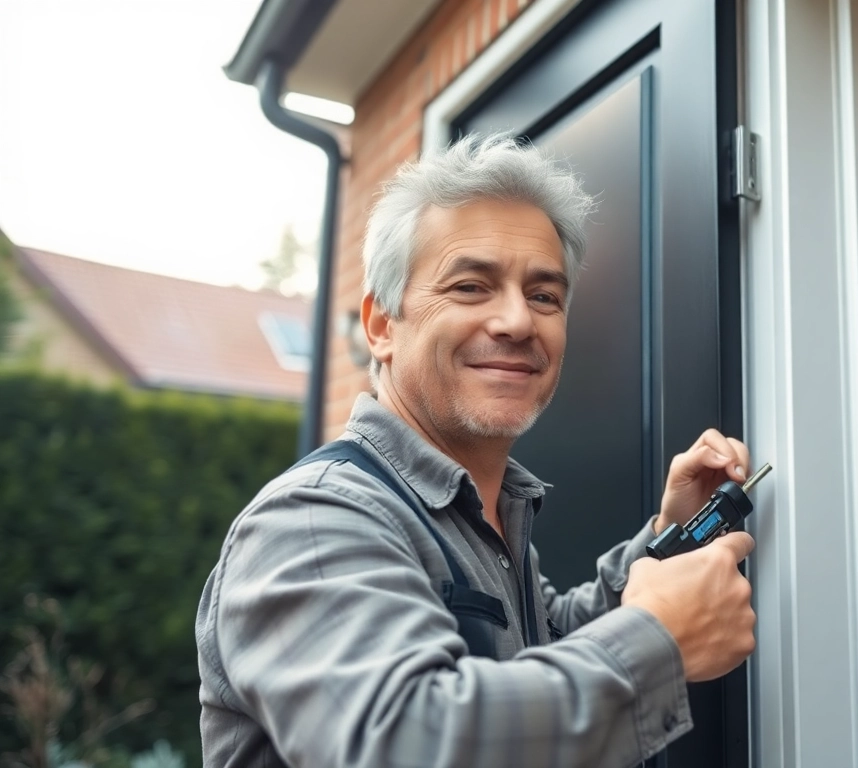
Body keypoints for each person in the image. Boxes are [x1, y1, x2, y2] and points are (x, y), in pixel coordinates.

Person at [194, 133, 758, 768]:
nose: (518, 322)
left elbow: (548, 645)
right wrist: (661, 642)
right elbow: (404, 743)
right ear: (382, 325)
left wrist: (671, 539)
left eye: (544, 296)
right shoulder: (315, 521)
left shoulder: (481, 515)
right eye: (470, 286)